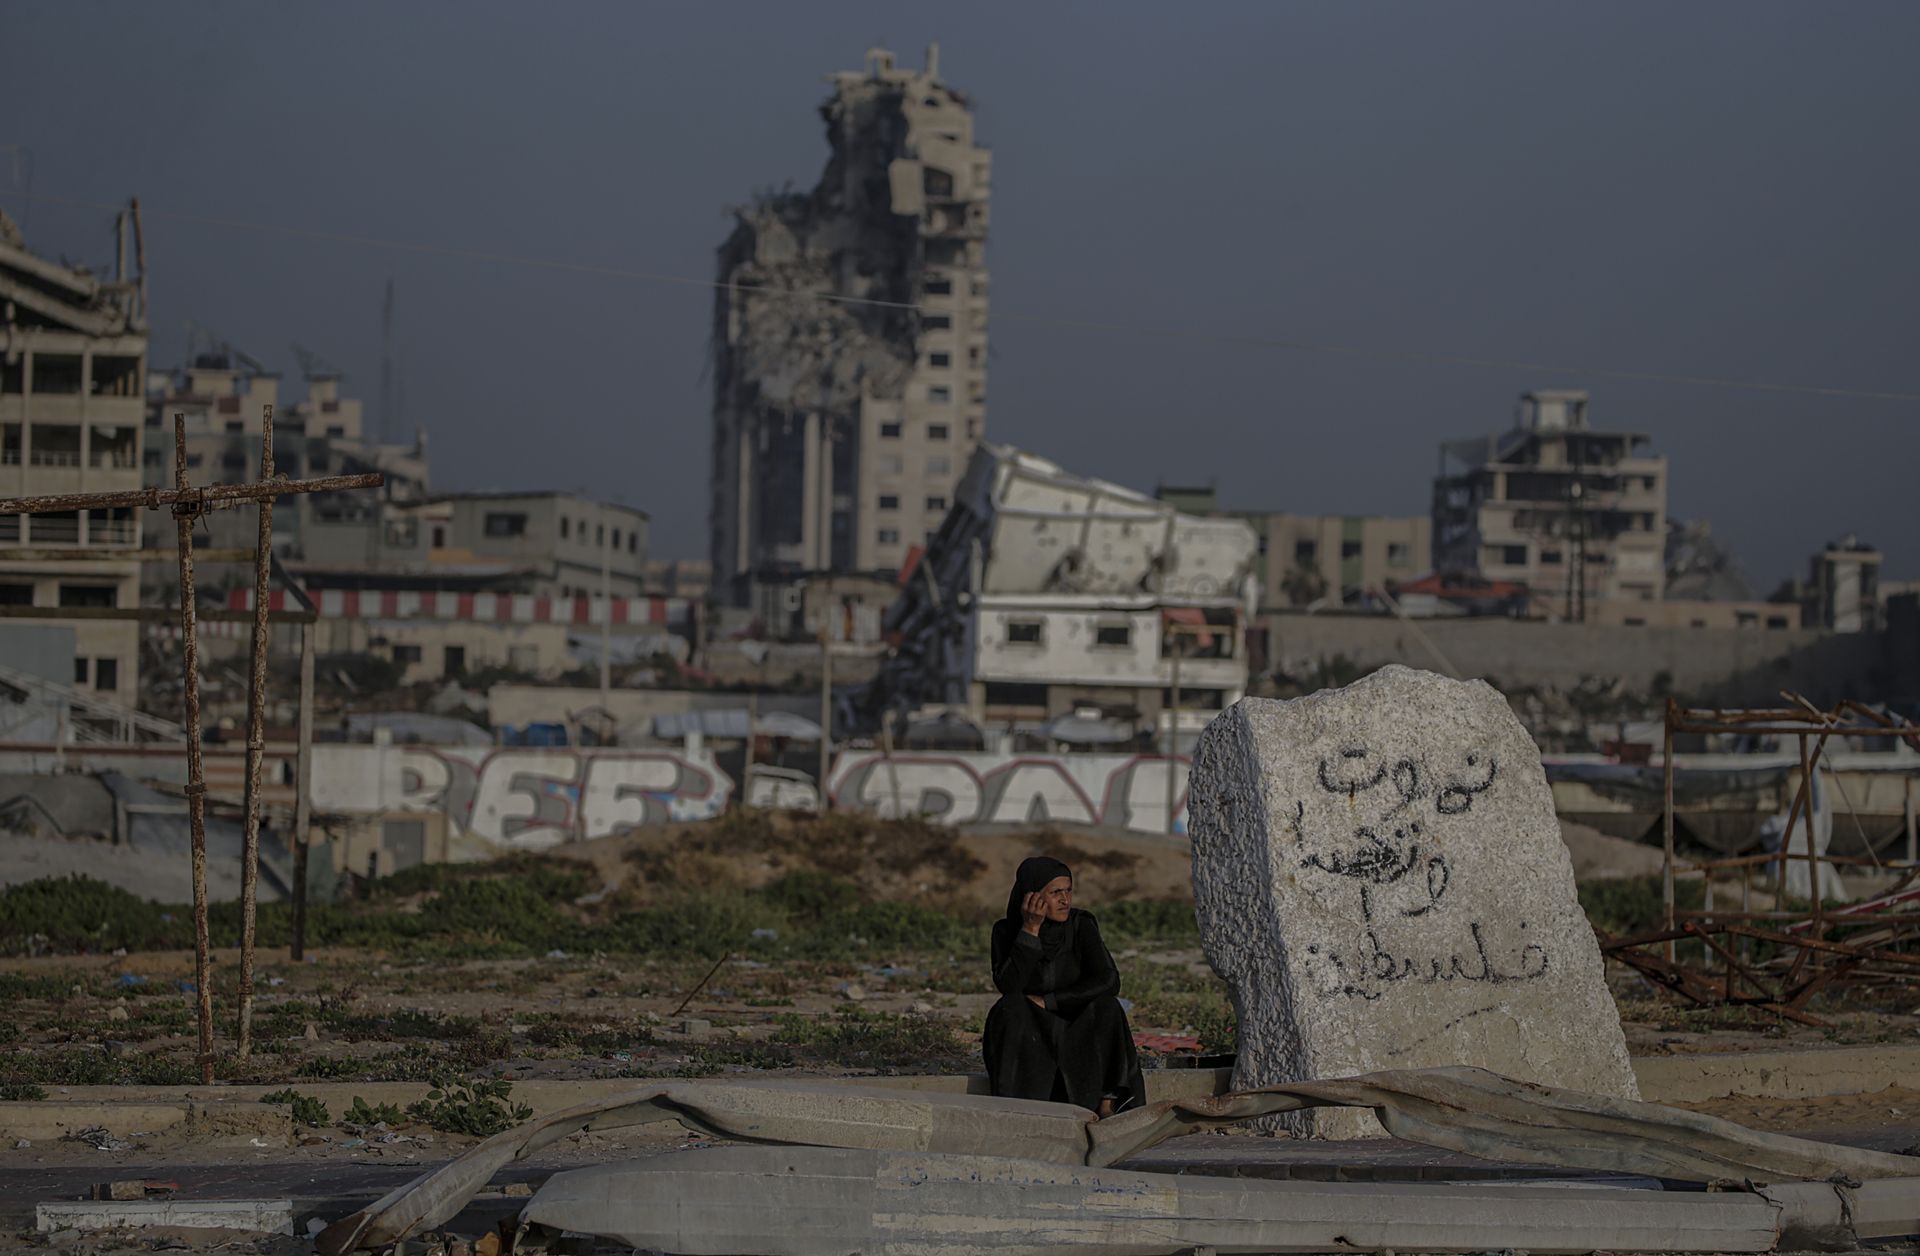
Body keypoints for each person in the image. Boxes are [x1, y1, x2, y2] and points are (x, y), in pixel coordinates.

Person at [982, 856, 1146, 1117]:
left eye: (1068, 891)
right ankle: (1017, 1109)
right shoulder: (1005, 931)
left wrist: (1051, 1001)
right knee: (1008, 1008)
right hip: (1035, 1028)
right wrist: (1030, 930)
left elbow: (1108, 980)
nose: (1065, 900)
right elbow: (1010, 986)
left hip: (1076, 1019)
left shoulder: (1081, 924)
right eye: (1055, 892)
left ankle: (1109, 1102)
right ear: (1031, 896)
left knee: (1108, 1006)